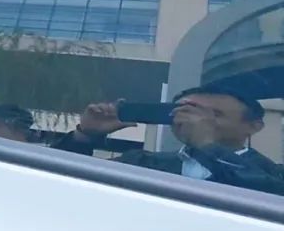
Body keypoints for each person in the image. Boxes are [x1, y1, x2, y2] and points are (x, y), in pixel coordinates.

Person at [55, 83, 284, 195]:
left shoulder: (274, 174)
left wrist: (207, 145)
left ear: (253, 127)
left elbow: (265, 191)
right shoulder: (141, 163)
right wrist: (85, 136)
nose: (196, 120)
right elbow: (64, 186)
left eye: (215, 114)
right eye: (186, 111)